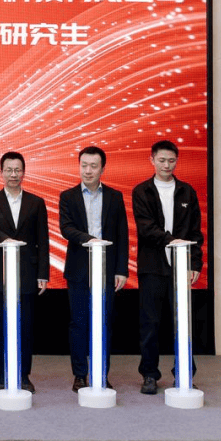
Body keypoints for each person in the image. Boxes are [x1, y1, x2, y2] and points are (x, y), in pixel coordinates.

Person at [131, 140, 204, 395]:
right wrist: (173, 241)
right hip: (152, 266)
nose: (166, 165)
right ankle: (149, 375)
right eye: (161, 160)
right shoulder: (142, 191)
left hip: (181, 266)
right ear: (152, 160)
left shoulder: (187, 191)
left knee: (182, 322)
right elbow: (146, 228)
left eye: (171, 161)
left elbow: (195, 232)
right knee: (149, 324)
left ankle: (184, 373)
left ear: (176, 161)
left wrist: (195, 262)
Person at [58, 145, 129, 392]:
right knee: (78, 323)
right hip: (78, 269)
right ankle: (80, 374)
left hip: (107, 269)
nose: (88, 171)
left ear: (102, 169)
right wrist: (91, 240)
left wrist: (122, 269)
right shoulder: (68, 196)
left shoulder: (114, 196)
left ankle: (101, 373)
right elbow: (66, 228)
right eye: (84, 165)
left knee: (104, 322)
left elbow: (122, 234)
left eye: (93, 166)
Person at [0, 151, 49, 393]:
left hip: (28, 272)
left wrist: (43, 273)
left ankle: (24, 375)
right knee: (0, 327)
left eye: (17, 170)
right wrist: (8, 241)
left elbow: (43, 240)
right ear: (1, 172)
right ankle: (1, 375)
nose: (13, 174)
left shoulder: (36, 202)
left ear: (24, 172)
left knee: (26, 327)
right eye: (8, 170)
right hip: (0, 272)